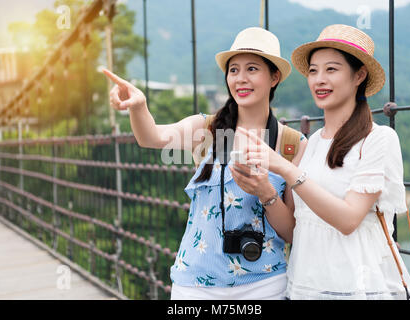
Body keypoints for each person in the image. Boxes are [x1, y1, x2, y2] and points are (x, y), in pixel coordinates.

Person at [103, 27, 307, 300]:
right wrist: (139, 106)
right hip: (196, 285)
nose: (240, 79)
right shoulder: (207, 128)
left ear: (274, 77)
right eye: (233, 70)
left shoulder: (292, 144)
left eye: (252, 69)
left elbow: (292, 231)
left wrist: (266, 193)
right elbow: (152, 137)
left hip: (265, 284)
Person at [236, 24, 410, 299]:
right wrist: (264, 191)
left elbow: (348, 220)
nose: (319, 79)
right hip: (303, 289)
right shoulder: (310, 145)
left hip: (358, 290)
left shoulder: (379, 139)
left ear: (359, 75)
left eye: (331, 69)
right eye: (313, 71)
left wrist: (285, 167)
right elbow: (294, 231)